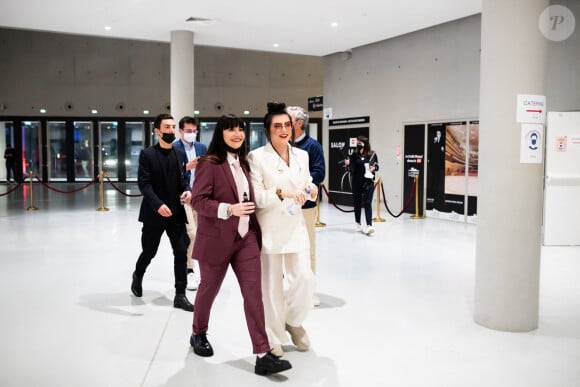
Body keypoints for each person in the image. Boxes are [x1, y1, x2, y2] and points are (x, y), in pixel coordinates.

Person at [189, 114, 292, 376]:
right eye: (230, 130)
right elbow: (198, 201)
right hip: (217, 240)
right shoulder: (209, 164)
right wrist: (228, 209)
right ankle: (198, 332)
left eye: (240, 130)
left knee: (253, 294)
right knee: (208, 289)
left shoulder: (245, 163)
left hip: (246, 239)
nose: (237, 134)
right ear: (220, 134)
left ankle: (262, 354)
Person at [248, 101, 317, 357]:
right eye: (277, 126)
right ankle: (274, 337)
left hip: (295, 227)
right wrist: (282, 193)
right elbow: (255, 197)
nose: (284, 130)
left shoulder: (303, 155)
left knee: (305, 279)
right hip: (270, 231)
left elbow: (308, 184)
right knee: (271, 289)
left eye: (287, 125)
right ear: (268, 130)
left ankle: (293, 321)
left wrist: (312, 189)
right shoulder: (256, 157)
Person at [130, 113, 194, 312]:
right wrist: (158, 205)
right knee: (149, 251)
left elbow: (183, 179)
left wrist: (187, 190)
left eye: (173, 127)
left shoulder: (179, 154)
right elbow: (144, 184)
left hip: (175, 213)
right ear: (157, 131)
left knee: (181, 251)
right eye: (166, 127)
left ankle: (180, 295)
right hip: (154, 213)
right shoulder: (147, 154)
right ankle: (138, 274)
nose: (170, 131)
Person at [286, 105, 325, 307]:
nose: (284, 125)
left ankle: (309, 291)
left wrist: (306, 185)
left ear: (299, 123)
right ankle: (292, 288)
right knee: (285, 248)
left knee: (308, 247)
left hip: (306, 205)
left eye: (288, 121)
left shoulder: (313, 146)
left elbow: (319, 172)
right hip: (283, 205)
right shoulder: (280, 145)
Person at [173, 116, 207, 291]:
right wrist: (186, 167)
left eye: (194, 131)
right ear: (180, 131)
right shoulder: (174, 148)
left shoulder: (201, 147)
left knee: (201, 233)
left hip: (200, 196)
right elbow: (168, 173)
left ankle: (196, 267)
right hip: (183, 196)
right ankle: (189, 270)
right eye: (188, 131)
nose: (192, 134)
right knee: (192, 234)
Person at [344, 135, 379, 235]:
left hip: (368, 181)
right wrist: (348, 164)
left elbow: (377, 166)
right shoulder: (354, 154)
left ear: (365, 143)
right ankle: (358, 223)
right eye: (357, 142)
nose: (358, 144)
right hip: (356, 182)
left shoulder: (372, 154)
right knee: (357, 203)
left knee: (368, 202)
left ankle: (369, 225)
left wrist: (373, 168)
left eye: (360, 142)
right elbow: (351, 168)